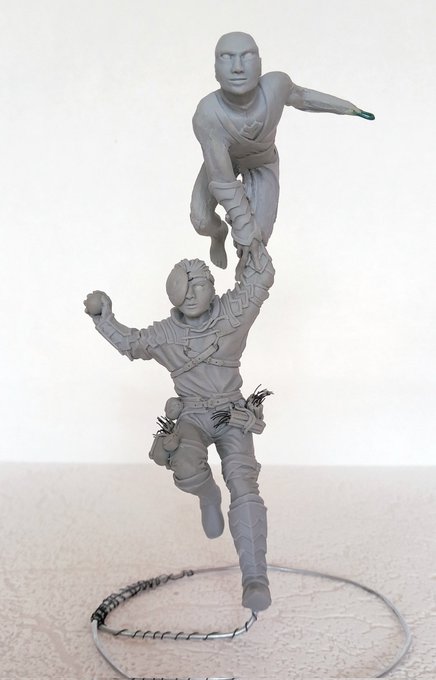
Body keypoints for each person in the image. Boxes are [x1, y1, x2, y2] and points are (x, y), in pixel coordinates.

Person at [84, 239, 275, 611]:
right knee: (184, 463)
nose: (189, 295)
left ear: (212, 287)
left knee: (244, 486)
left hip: (230, 413)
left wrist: (251, 243)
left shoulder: (232, 313)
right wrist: (104, 318)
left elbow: (259, 281)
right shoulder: (165, 334)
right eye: (181, 287)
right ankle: (208, 496)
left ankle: (255, 578)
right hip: (191, 416)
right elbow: (132, 343)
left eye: (198, 285)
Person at [191, 31, 375, 273]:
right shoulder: (208, 114)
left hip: (262, 162)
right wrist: (242, 224)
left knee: (258, 238)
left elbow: (303, 97)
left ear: (260, 64)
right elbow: (223, 181)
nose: (238, 68)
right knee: (201, 220)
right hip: (223, 163)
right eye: (227, 57)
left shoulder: (276, 86)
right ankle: (218, 234)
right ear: (215, 69)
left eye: (247, 56)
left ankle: (248, 282)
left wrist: (348, 108)